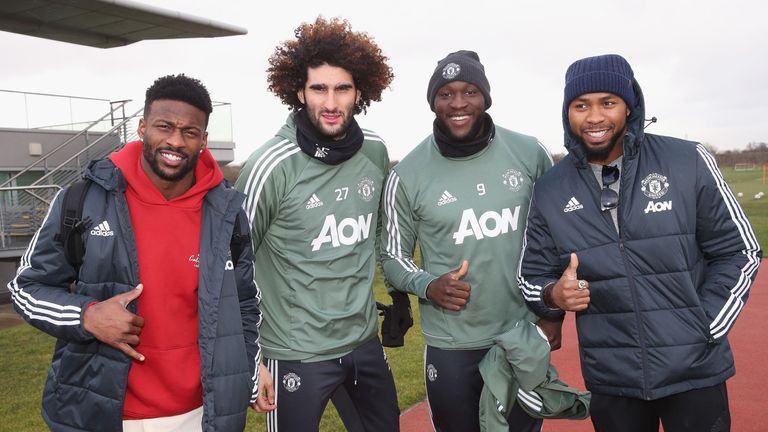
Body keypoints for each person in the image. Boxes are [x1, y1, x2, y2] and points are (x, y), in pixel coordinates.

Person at [7, 74, 273, 432]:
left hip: (202, 414)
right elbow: (26, 289)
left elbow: (244, 304)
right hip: (106, 415)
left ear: (203, 140)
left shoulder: (227, 211)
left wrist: (249, 370)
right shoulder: (83, 199)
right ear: (142, 127)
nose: (175, 141)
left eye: (189, 132)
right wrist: (86, 316)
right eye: (164, 126)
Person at [518, 54, 762, 432]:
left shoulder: (687, 160)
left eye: (608, 103)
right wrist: (553, 294)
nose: (594, 117)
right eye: (581, 105)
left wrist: (706, 327)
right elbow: (530, 275)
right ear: (567, 113)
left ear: (629, 106)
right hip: (613, 380)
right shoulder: (551, 189)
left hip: (695, 372)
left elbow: (740, 250)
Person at [235, 16, 401, 431]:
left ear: (359, 92)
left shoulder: (375, 151)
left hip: (363, 342)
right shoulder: (270, 166)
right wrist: (251, 357)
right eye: (318, 88)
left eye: (342, 88)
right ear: (298, 91)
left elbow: (379, 236)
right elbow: (230, 263)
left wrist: (398, 296)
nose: (331, 102)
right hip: (294, 351)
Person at [379, 50, 555, 432]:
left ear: (485, 98)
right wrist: (428, 285)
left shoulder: (529, 153)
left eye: (469, 92)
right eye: (446, 94)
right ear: (433, 102)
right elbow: (392, 256)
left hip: (521, 334)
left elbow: (556, 237)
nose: (458, 103)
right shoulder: (407, 174)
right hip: (452, 345)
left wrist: (551, 314)